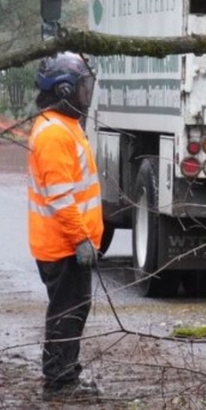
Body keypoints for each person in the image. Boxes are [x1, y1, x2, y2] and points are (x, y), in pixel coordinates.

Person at [27, 52, 103, 401]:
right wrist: (81, 239)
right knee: (66, 313)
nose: (86, 95)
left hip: (69, 242)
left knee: (74, 309)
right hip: (64, 244)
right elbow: (61, 197)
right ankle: (59, 380)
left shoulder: (65, 125)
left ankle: (66, 372)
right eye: (82, 88)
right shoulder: (54, 135)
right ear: (64, 91)